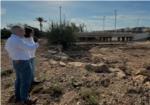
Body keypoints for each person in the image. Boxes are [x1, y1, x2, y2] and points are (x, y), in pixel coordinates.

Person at [5, 25, 39, 105]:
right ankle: (24, 99)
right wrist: (38, 44)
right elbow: (30, 48)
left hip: (16, 61)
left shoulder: (10, 39)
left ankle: (18, 97)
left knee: (19, 80)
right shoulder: (17, 40)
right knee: (26, 81)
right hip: (23, 62)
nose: (24, 32)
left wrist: (14, 57)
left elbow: (6, 48)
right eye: (22, 30)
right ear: (18, 31)